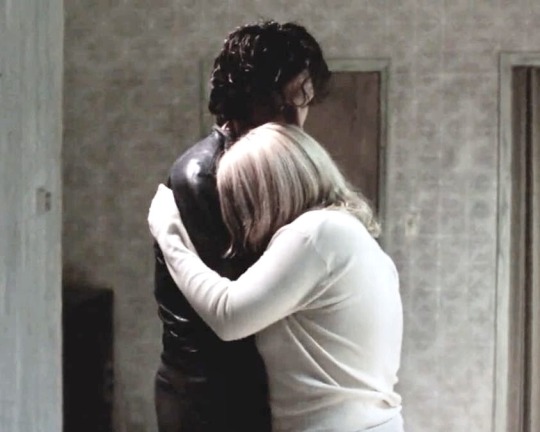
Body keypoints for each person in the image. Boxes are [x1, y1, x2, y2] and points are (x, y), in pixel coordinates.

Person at [148, 123, 404, 432]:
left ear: (267, 193)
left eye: (241, 203)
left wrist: (170, 234)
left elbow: (228, 315)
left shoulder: (314, 234)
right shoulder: (351, 236)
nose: (240, 222)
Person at [152, 21, 331, 432]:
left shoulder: (259, 164)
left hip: (241, 382)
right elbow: (236, 304)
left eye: (302, 102)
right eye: (281, 104)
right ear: (245, 98)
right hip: (207, 393)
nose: (295, 120)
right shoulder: (204, 174)